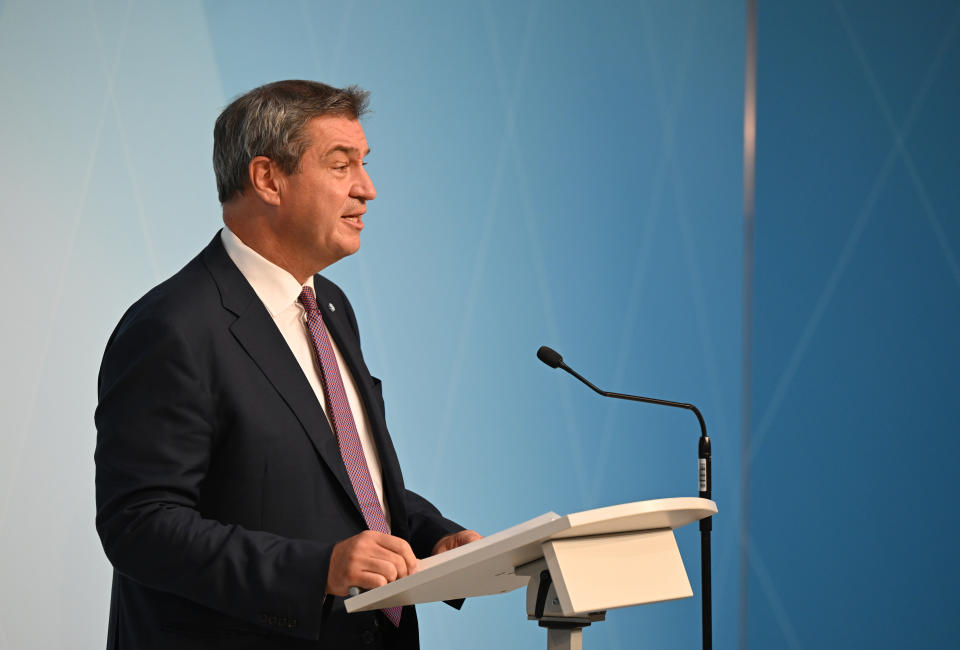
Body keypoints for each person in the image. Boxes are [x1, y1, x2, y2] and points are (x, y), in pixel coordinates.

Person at [94, 80, 481, 650]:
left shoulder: (329, 306)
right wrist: (316, 569)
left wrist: (430, 536)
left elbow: (342, 477)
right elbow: (140, 525)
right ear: (268, 179)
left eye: (364, 164)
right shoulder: (173, 325)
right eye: (340, 165)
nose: (367, 189)